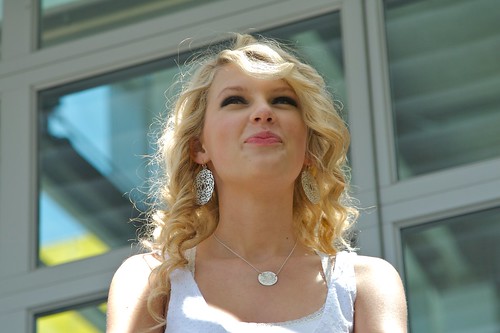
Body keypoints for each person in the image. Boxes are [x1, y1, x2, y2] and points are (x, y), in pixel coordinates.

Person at [106, 33, 407, 333]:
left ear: (309, 149)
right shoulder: (152, 281)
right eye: (235, 100)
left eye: (282, 101)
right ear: (199, 148)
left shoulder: (366, 284)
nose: (264, 112)